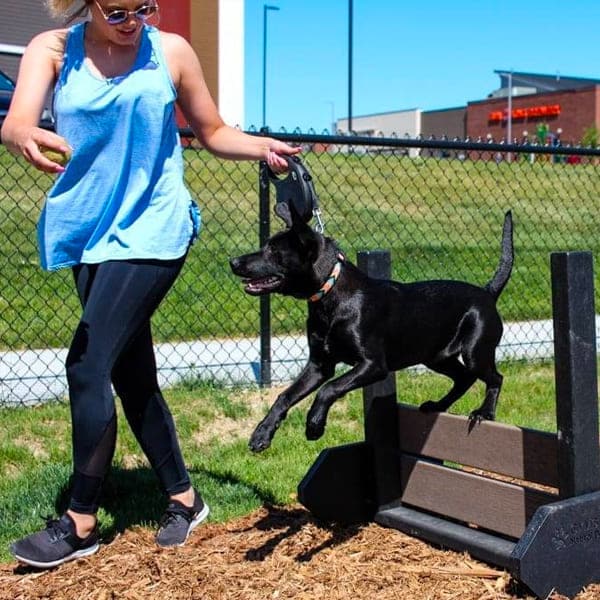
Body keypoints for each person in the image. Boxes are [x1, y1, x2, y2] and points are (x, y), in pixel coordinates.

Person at [1, 0, 300, 568]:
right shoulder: (53, 49)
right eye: (116, 11)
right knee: (129, 373)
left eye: (143, 7)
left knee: (86, 365)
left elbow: (211, 130)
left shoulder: (171, 53)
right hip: (88, 230)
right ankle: (185, 497)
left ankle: (80, 521)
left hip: (153, 228)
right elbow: (18, 118)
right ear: (86, 4)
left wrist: (261, 146)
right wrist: (19, 131)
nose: (132, 20)